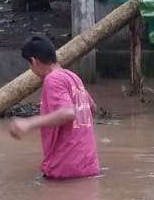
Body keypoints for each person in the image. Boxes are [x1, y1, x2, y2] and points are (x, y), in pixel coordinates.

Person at [8, 35, 101, 179]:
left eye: (29, 65)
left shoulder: (53, 79)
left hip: (65, 168)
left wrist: (29, 123)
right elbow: (92, 107)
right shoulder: (73, 77)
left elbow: (68, 113)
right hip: (89, 166)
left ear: (34, 61)